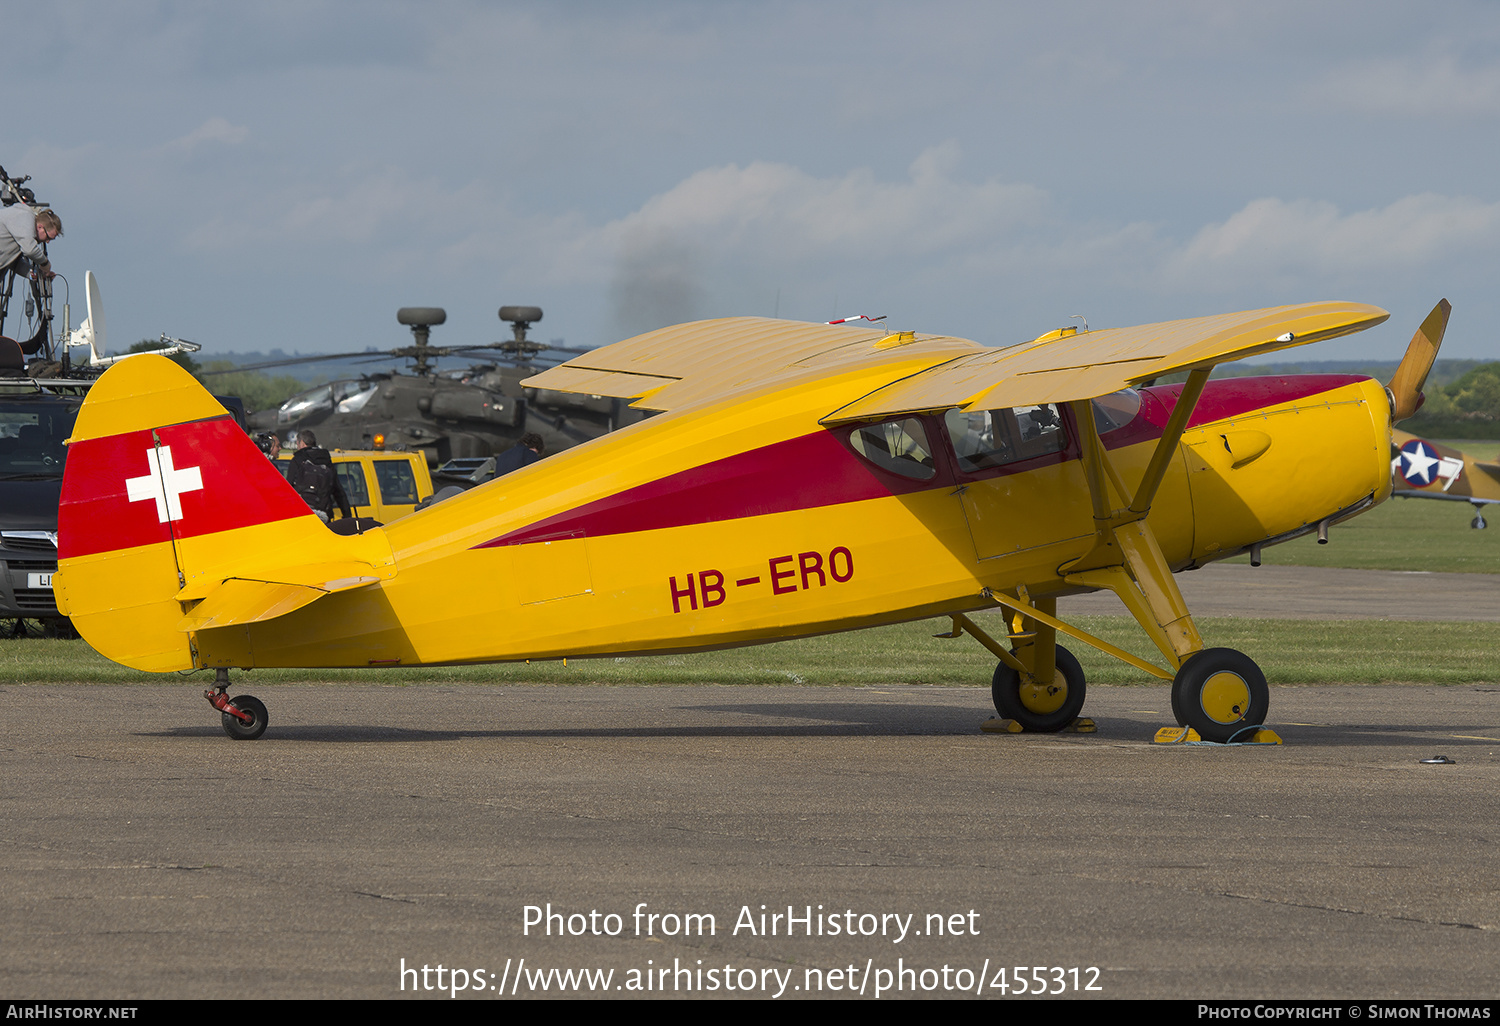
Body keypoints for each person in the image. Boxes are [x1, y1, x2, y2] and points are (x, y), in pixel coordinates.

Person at [286, 429, 352, 522]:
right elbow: (338, 490)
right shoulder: (325, 459)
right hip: (324, 514)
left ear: (302, 443)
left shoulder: (298, 459)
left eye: (297, 444)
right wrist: (347, 515)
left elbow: (289, 488)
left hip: (303, 515)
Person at [0, 206, 61, 280]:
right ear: (40, 227)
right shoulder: (24, 217)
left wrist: (39, 274)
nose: (47, 242)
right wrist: (45, 263)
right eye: (48, 237)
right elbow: (30, 250)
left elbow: (14, 263)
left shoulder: (22, 236)